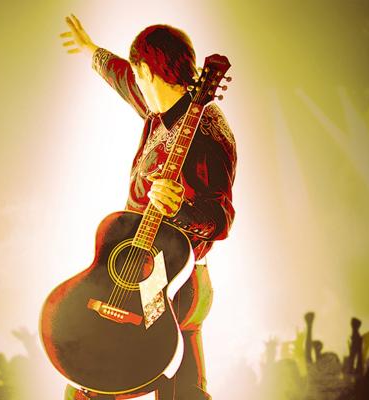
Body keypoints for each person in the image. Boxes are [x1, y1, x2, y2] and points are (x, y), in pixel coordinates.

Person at [60, 14, 237, 400]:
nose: (136, 80)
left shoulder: (206, 131)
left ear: (151, 72)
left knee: (98, 384)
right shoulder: (161, 107)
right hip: (140, 271)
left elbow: (221, 220)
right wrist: (93, 51)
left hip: (175, 282)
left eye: (140, 72)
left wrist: (180, 208)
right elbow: (125, 80)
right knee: (101, 378)